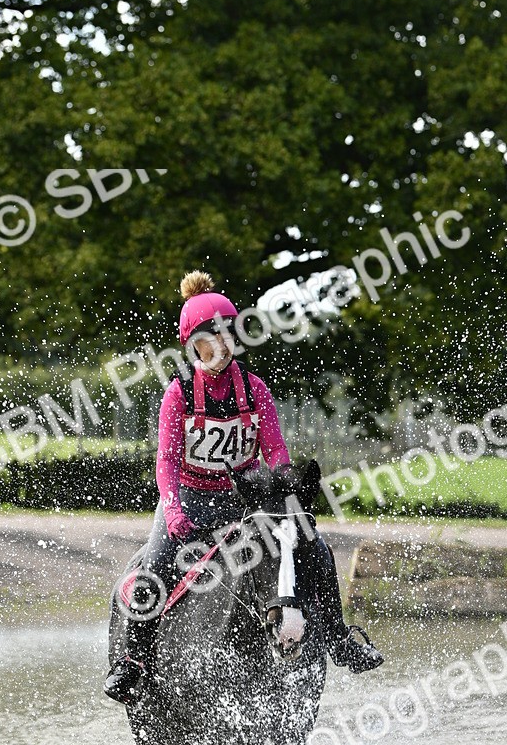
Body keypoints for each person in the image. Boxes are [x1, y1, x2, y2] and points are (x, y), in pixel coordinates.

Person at [104, 271, 383, 703]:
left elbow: (275, 452)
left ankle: (339, 637)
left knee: (316, 548)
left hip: (246, 501)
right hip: (189, 501)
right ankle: (133, 661)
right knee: (152, 571)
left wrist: (285, 498)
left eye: (225, 337)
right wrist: (174, 509)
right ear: (192, 346)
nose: (218, 348)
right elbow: (166, 460)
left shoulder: (255, 390)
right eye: (207, 341)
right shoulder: (178, 395)